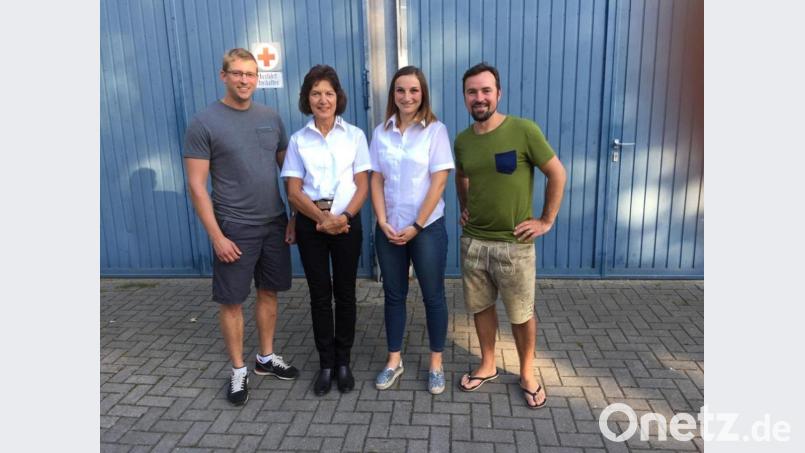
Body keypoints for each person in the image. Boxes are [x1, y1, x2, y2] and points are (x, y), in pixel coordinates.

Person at [183, 48, 300, 407]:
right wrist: (217, 235)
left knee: (270, 292)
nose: (244, 80)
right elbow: (196, 186)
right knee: (232, 301)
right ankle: (238, 369)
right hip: (234, 227)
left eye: (250, 74)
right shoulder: (204, 123)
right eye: (237, 73)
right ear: (223, 76)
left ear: (257, 78)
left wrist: (294, 215)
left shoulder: (271, 118)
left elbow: (289, 173)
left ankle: (265, 358)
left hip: (274, 224)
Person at [454, 62, 567, 409]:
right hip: (474, 242)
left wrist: (546, 220)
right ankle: (488, 364)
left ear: (498, 94)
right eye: (472, 91)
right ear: (465, 97)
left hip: (514, 246)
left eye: (486, 90)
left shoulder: (523, 130)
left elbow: (557, 173)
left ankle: (528, 373)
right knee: (481, 307)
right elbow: (463, 176)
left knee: (521, 314)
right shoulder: (462, 141)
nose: (479, 97)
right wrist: (465, 206)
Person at [281, 64, 370, 396]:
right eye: (315, 93)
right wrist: (321, 220)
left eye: (328, 93)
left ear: (338, 97)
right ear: (307, 98)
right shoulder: (298, 140)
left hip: (347, 222)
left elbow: (363, 184)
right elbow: (293, 190)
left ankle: (344, 361)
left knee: (345, 293)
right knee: (319, 295)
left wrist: (343, 217)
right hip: (311, 222)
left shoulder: (356, 136)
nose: (323, 99)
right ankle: (326, 363)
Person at [369, 66, 454, 394]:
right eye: (400, 90)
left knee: (433, 296)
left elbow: (439, 181)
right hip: (389, 229)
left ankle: (436, 363)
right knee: (393, 296)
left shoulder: (435, 131)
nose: (407, 97)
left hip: (427, 228)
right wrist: (381, 220)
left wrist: (417, 224)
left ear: (423, 94)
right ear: (393, 94)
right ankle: (394, 360)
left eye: (414, 90)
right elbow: (375, 178)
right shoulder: (381, 132)